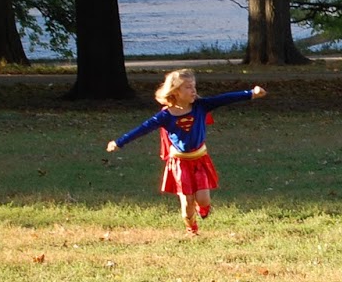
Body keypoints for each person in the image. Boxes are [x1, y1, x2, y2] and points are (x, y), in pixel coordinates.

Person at [106, 69, 267, 234]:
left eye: (194, 86)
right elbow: (142, 129)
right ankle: (191, 228)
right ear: (175, 91)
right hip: (180, 163)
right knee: (187, 202)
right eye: (188, 87)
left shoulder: (201, 106)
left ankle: (202, 207)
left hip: (199, 160)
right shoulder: (165, 116)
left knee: (203, 200)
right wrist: (120, 142)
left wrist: (251, 93)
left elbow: (224, 98)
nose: (194, 91)